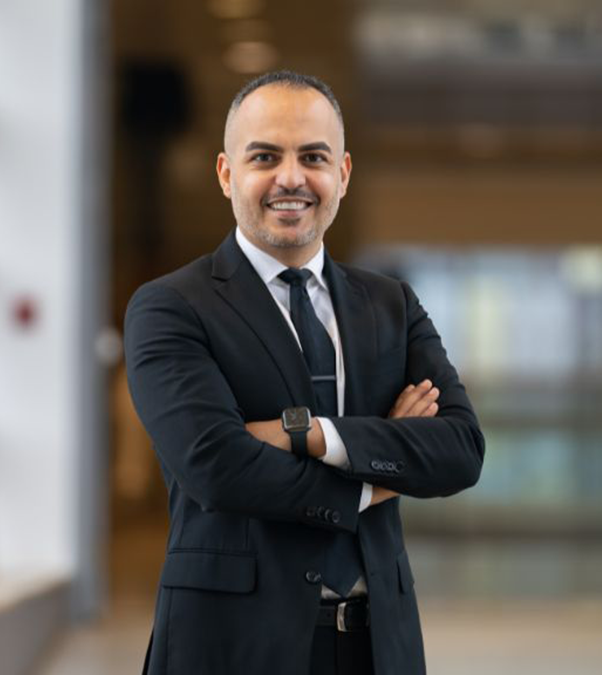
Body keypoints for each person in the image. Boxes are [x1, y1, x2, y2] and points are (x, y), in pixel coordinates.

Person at [124, 70, 485, 675]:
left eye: (312, 157)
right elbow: (217, 467)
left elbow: (460, 449)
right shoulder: (170, 307)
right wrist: (379, 475)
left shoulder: (391, 304)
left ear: (342, 174)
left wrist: (311, 434)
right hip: (230, 645)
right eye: (265, 156)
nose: (290, 178)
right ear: (226, 173)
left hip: (378, 647)